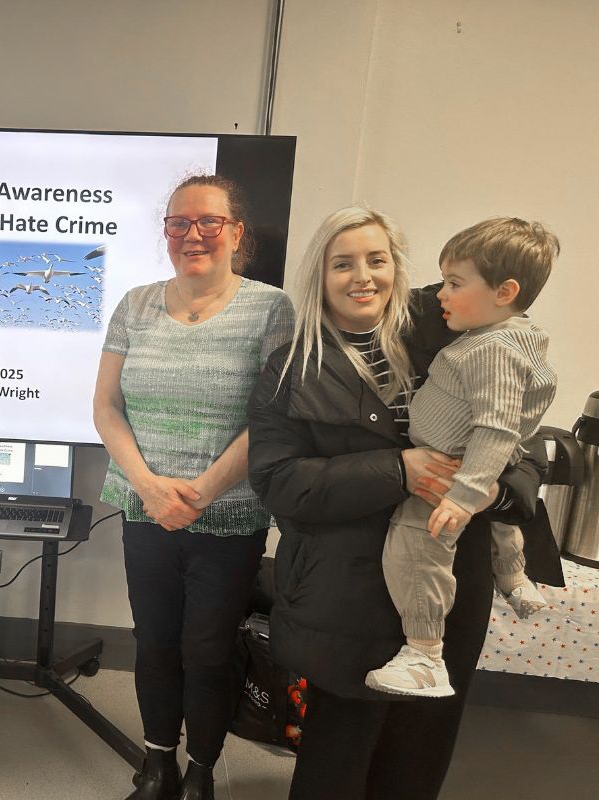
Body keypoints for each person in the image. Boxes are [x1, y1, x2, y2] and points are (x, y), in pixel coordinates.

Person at [247, 206, 546, 800]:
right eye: (343, 263)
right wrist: (396, 470)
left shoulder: (454, 334)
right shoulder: (291, 369)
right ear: (319, 277)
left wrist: (497, 490)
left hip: (453, 580)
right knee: (339, 754)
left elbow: (522, 442)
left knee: (422, 747)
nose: (363, 276)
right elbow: (280, 482)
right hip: (347, 587)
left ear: (397, 269)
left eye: (377, 260)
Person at [93, 175, 294, 800]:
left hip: (230, 516)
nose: (192, 236)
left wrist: (201, 493)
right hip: (144, 509)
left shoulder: (272, 309)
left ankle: (201, 769)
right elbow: (105, 409)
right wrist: (150, 488)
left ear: (236, 232)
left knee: (207, 650)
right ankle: (157, 764)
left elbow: (273, 420)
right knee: (153, 642)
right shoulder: (136, 304)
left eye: (208, 222)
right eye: (179, 223)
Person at [365, 218, 558, 698]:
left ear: (504, 291)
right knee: (497, 520)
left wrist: (467, 493)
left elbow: (497, 426)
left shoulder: (490, 349)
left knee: (416, 543)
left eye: (454, 284)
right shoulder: (511, 338)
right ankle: (513, 576)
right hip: (470, 462)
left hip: (447, 472)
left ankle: (424, 654)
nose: (441, 295)